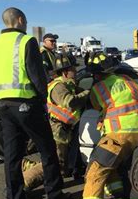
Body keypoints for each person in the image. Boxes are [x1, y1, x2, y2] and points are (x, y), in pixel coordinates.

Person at [0, 7, 70, 199]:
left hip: (4, 107)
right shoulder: (26, 42)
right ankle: (54, 196)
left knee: (12, 157)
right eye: (25, 20)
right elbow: (38, 77)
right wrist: (42, 101)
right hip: (28, 106)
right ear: (20, 20)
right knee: (47, 149)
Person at [73, 53, 138, 199]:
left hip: (118, 132)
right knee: (111, 164)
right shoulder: (130, 82)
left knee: (96, 167)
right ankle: (116, 190)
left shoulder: (100, 88)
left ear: (97, 74)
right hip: (135, 132)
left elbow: (96, 105)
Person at [22, 54, 90, 189]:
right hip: (56, 130)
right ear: (65, 72)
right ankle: (24, 182)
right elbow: (70, 102)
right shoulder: (58, 87)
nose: (76, 72)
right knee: (55, 165)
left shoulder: (68, 85)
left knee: (61, 169)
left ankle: (28, 165)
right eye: (73, 70)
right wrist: (89, 93)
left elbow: (78, 94)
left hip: (64, 130)